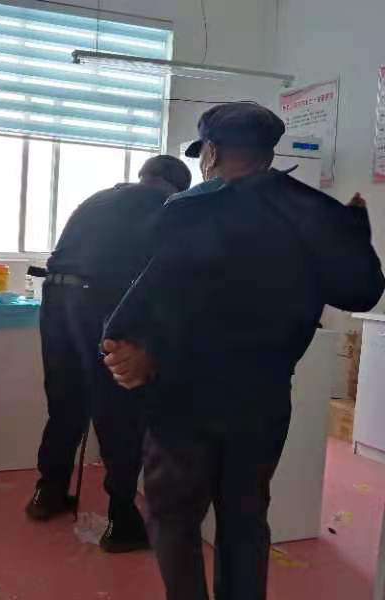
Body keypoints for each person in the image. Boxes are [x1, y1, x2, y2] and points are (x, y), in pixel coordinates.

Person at [102, 103, 385, 599]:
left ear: (210, 152)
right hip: (263, 397)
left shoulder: (189, 208)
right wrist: (355, 229)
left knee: (174, 516)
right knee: (245, 517)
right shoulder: (314, 210)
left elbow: (156, 293)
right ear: (269, 153)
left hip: (185, 396)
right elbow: (361, 293)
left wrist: (129, 343)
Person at [26, 155, 193, 553]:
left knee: (65, 403)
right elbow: (167, 272)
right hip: (98, 303)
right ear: (175, 186)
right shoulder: (164, 205)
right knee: (117, 412)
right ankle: (122, 520)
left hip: (56, 300)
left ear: (144, 175)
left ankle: (47, 494)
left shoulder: (99, 198)